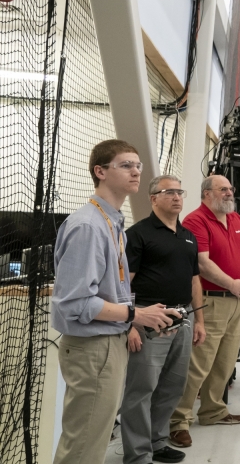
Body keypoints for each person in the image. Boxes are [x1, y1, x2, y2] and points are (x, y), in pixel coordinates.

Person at [51, 140, 179, 464]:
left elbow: (112, 291)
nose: (136, 171)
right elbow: (76, 303)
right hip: (93, 350)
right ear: (100, 172)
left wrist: (137, 321)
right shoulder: (88, 226)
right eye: (126, 165)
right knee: (82, 449)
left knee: (91, 442)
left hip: (109, 344)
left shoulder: (114, 224)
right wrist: (136, 315)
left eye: (137, 165)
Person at [119, 175, 204, 464]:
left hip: (182, 319)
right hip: (148, 320)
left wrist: (200, 321)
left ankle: (157, 442)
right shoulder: (138, 234)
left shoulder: (188, 236)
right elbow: (123, 284)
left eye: (180, 191)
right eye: (169, 192)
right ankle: (138, 454)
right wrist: (129, 324)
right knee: (141, 389)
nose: (177, 197)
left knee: (173, 386)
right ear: (153, 198)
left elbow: (194, 281)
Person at [169, 175, 240, 448]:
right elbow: (202, 264)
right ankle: (178, 421)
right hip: (213, 301)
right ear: (207, 194)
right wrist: (232, 284)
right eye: (224, 189)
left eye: (231, 188)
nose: (230, 193)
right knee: (199, 364)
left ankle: (212, 411)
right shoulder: (196, 220)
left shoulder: (236, 219)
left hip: (239, 301)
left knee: (225, 360)